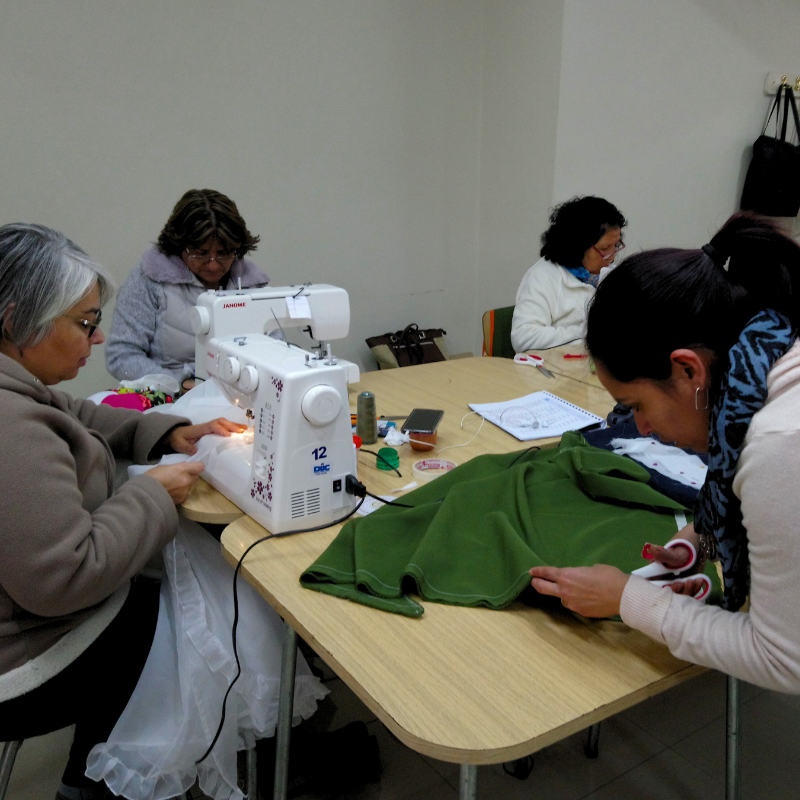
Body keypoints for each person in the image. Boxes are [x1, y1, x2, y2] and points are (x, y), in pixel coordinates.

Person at [0, 223, 246, 800]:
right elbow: (68, 576)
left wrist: (168, 432)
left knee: (162, 594)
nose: (100, 337)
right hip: (20, 666)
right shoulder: (10, 427)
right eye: (84, 323)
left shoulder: (18, 388)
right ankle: (103, 782)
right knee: (189, 622)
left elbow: (74, 415)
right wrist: (153, 493)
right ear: (15, 321)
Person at [529, 211, 800, 693]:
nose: (642, 428)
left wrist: (628, 599)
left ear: (688, 372)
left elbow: (784, 659)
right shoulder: (762, 367)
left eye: (635, 406)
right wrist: (699, 536)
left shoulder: (779, 444)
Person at [105, 189, 269, 389]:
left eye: (224, 253)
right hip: (170, 399)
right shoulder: (151, 279)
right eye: (200, 253)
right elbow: (121, 355)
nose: (213, 265)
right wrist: (178, 384)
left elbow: (274, 353)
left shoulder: (252, 284)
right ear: (178, 245)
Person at [510, 195, 627, 353]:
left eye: (616, 245)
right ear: (578, 246)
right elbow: (524, 338)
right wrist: (590, 333)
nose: (612, 256)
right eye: (605, 248)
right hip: (550, 370)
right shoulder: (543, 276)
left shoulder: (612, 276)